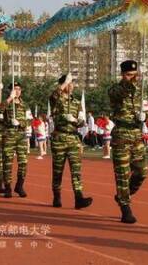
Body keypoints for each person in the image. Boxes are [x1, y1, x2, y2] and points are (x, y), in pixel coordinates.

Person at [108, 60, 148, 224]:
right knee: (122, 175)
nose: (133, 78)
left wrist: (146, 116)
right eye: (129, 75)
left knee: (142, 171)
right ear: (123, 75)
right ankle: (125, 207)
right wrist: (128, 83)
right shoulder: (116, 90)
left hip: (136, 135)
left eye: (135, 75)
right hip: (121, 136)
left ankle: (123, 195)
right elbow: (120, 92)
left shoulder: (142, 92)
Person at [49, 73, 94, 209]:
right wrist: (63, 84)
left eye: (72, 83)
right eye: (69, 83)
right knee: (58, 171)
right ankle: (57, 196)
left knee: (76, 170)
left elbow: (82, 121)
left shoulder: (76, 102)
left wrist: (76, 120)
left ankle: (78, 197)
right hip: (59, 139)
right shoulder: (56, 99)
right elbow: (53, 96)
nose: (72, 85)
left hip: (73, 138)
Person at [2, 82, 33, 197]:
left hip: (21, 136)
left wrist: (20, 122)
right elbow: (0, 109)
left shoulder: (25, 105)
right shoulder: (7, 103)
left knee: (23, 162)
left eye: (19, 89)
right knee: (8, 162)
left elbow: (30, 120)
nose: (18, 91)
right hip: (9, 135)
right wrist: (10, 98)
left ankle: (19, 186)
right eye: (15, 89)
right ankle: (8, 187)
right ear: (11, 91)